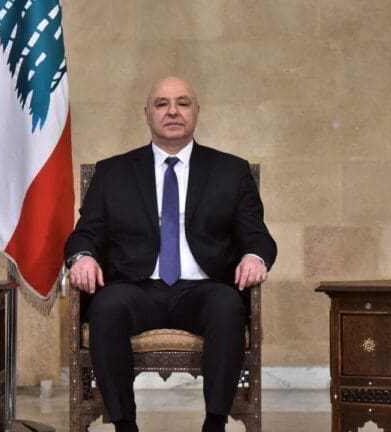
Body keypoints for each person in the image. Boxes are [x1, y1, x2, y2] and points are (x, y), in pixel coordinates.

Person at [64, 76, 277, 432]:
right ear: (146, 114)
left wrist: (254, 257)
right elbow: (85, 233)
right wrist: (82, 257)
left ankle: (215, 423)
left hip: (204, 289)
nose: (173, 111)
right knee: (107, 307)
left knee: (227, 306)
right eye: (162, 104)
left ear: (197, 111)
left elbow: (258, 236)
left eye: (183, 103)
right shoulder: (113, 172)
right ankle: (124, 425)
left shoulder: (231, 171)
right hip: (136, 288)